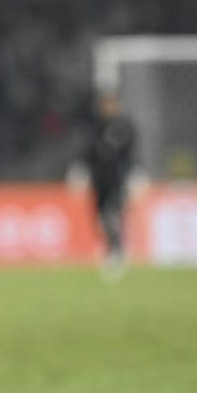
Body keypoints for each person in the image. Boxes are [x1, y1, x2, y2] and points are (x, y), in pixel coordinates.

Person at [73, 91, 136, 280]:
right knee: (100, 221)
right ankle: (113, 248)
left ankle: (116, 252)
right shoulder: (94, 127)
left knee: (113, 215)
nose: (108, 107)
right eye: (105, 104)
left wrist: (136, 173)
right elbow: (86, 152)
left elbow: (131, 154)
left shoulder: (125, 127)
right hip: (99, 181)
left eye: (112, 103)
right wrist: (80, 170)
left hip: (118, 179)